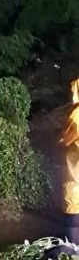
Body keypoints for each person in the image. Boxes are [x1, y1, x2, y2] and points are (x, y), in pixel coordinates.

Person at [60, 78, 79, 244]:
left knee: (73, 220)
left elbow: (65, 139)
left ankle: (73, 258)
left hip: (76, 181)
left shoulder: (77, 114)